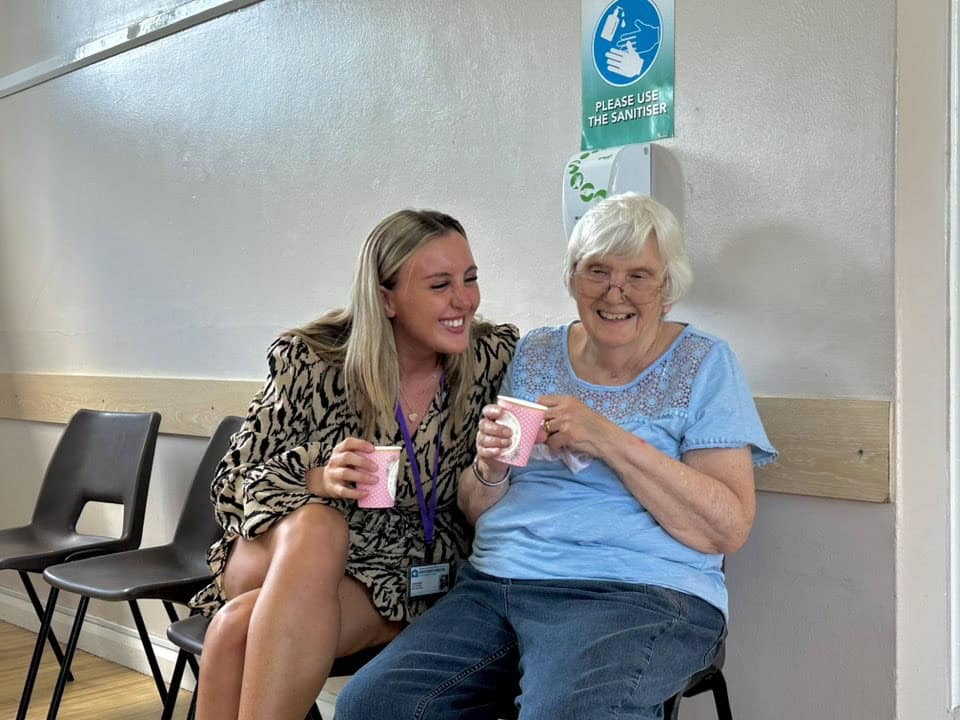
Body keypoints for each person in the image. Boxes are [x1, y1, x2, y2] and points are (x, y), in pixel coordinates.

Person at [336, 193, 777, 720]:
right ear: (572, 278)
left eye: (638, 275)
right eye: (598, 271)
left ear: (668, 287)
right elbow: (479, 507)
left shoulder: (705, 363)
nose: (615, 292)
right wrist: (489, 468)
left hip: (639, 593)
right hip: (498, 583)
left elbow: (726, 528)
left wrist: (606, 437)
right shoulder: (537, 353)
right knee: (373, 705)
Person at [188, 208, 518, 720]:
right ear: (386, 299)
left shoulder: (491, 360)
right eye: (439, 285)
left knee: (234, 628)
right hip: (283, 551)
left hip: (404, 577)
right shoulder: (312, 360)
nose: (464, 300)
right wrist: (317, 476)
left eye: (470, 279)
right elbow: (231, 486)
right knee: (319, 525)